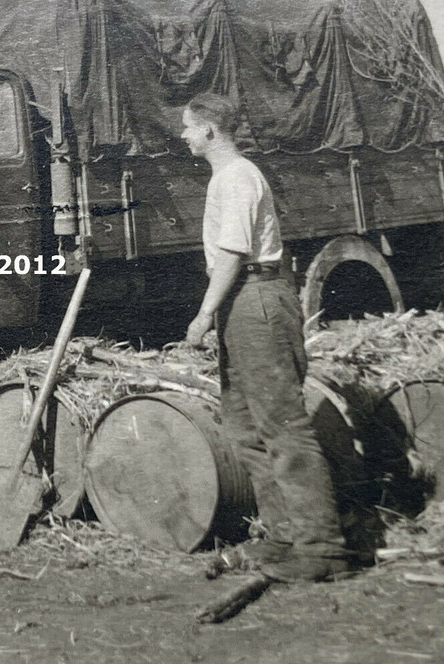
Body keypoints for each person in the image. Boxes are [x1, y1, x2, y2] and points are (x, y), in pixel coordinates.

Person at [181, 92, 353, 583]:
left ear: (210, 130)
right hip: (244, 300)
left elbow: (234, 254)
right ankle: (283, 537)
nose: (184, 136)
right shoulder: (226, 177)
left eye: (189, 127)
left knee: (283, 427)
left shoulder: (236, 178)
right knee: (245, 428)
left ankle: (323, 549)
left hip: (256, 297)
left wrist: (202, 316)